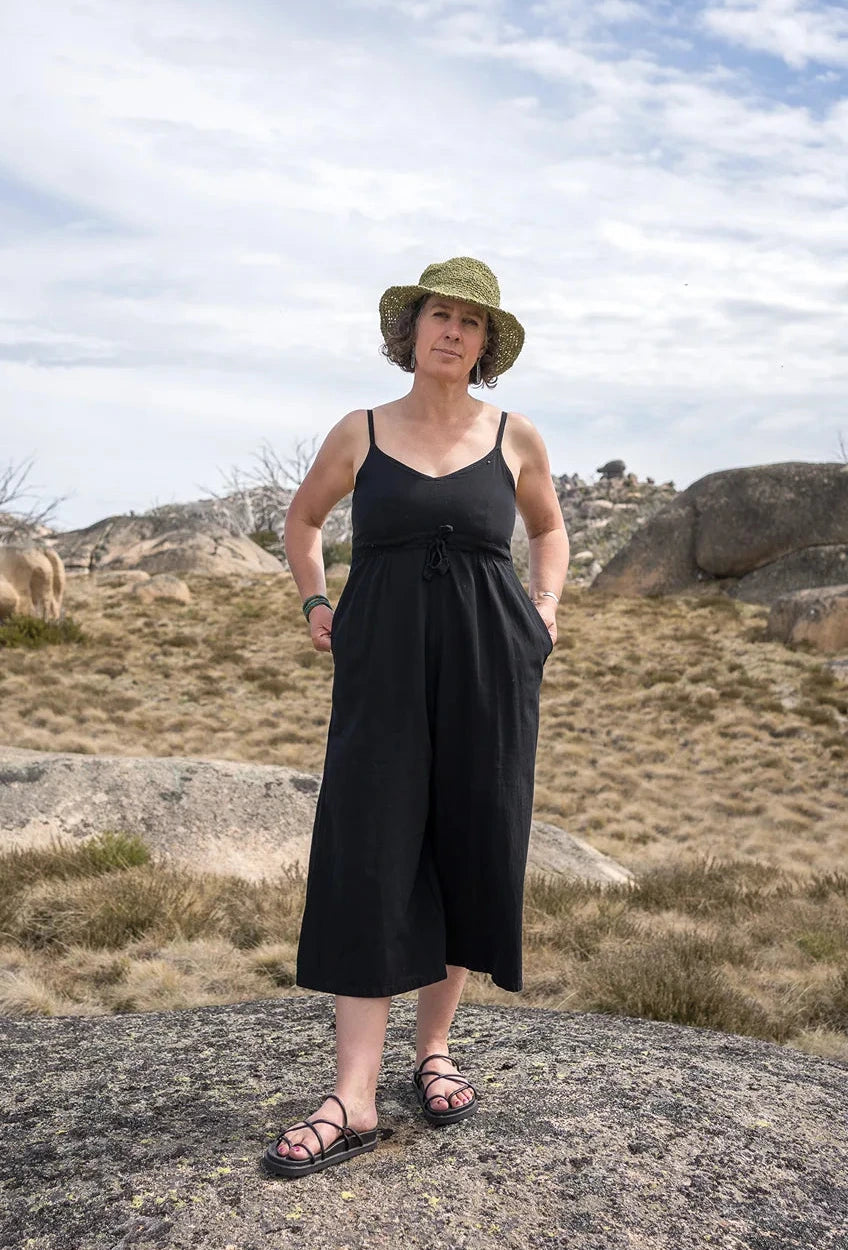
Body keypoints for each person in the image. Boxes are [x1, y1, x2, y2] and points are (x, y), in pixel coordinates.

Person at [263, 257, 569, 1177]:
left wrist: (545, 611)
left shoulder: (515, 436)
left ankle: (434, 1052)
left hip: (490, 663)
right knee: (369, 849)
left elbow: (548, 530)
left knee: (470, 840)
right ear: (413, 329)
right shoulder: (359, 431)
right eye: (441, 315)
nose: (453, 332)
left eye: (472, 323)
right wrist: (317, 603)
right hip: (382, 664)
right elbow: (303, 522)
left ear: (485, 345)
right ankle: (353, 1096)